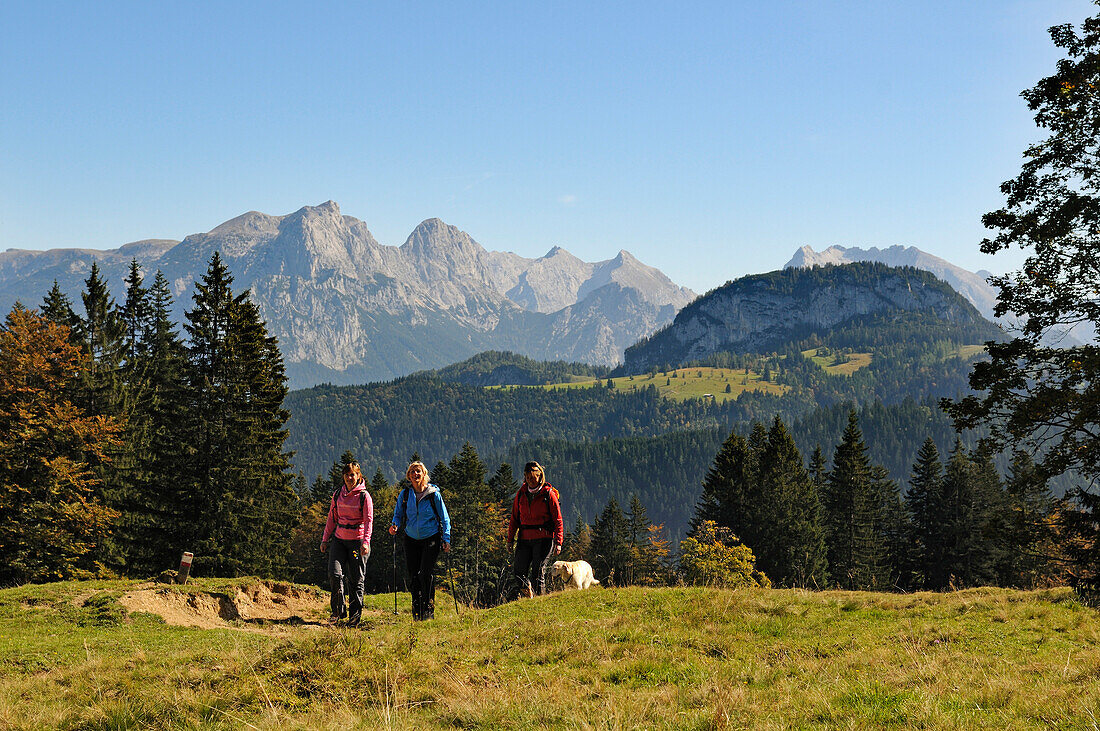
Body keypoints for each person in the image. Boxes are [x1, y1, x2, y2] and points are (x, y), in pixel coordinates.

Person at [388, 461, 451, 620]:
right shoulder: (405, 494)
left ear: (424, 474)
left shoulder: (433, 494)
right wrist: (394, 525)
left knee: (425, 574)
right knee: (414, 576)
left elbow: (444, 519)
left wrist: (446, 538)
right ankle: (417, 613)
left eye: (418, 471)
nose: (415, 474)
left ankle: (428, 611)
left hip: (431, 538)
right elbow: (398, 514)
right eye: (412, 472)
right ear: (409, 476)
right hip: (411, 540)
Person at [320, 461, 374, 626]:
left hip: (357, 543)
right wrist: (324, 539)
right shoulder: (338, 494)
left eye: (353, 474)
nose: (350, 478)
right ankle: (337, 612)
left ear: (359, 476)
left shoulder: (364, 496)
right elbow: (331, 518)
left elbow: (369, 521)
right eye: (347, 475)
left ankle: (354, 618)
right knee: (334, 574)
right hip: (339, 541)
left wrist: (366, 542)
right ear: (343, 477)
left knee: (356, 579)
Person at [507, 461, 564, 598]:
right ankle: (529, 597)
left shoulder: (548, 494)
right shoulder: (521, 495)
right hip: (524, 539)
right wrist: (510, 540)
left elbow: (558, 520)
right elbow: (514, 519)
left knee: (538, 574)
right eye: (528, 478)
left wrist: (558, 542)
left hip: (544, 539)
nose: (530, 481)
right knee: (519, 573)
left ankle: (540, 603)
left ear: (540, 477)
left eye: (533, 477)